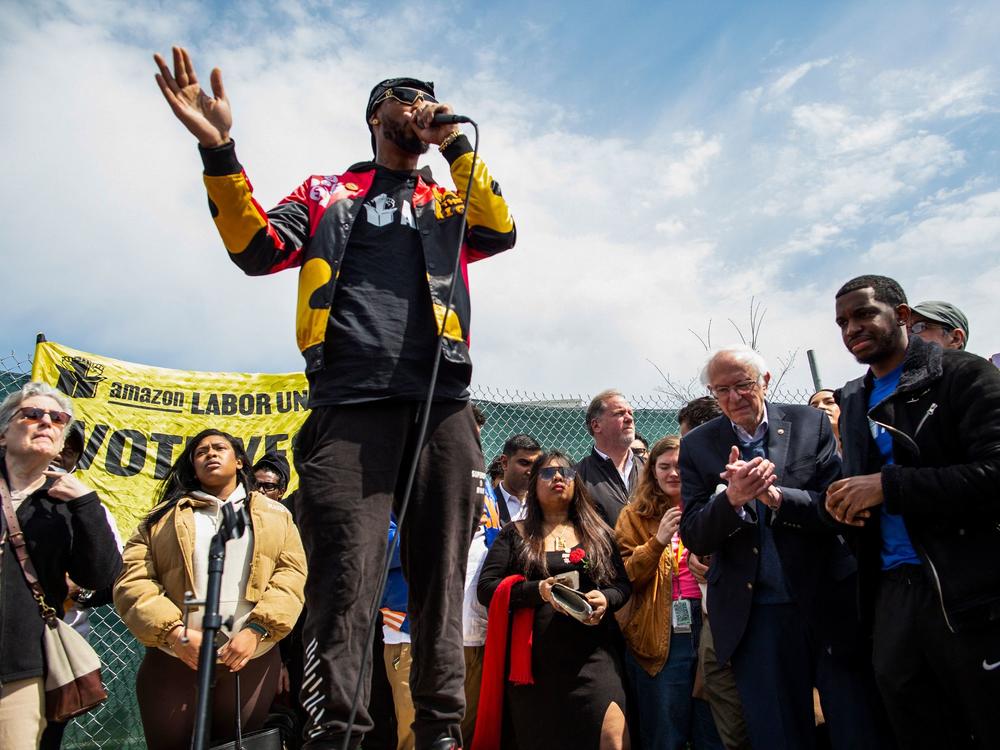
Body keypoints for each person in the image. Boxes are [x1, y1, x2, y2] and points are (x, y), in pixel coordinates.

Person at [153, 44, 515, 749]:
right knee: (345, 581)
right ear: (377, 115)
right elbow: (255, 248)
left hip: (440, 405)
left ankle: (443, 734)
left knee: (441, 580)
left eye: (429, 97)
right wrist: (220, 152)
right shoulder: (328, 192)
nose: (421, 105)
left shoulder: (446, 198)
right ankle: (338, 735)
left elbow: (498, 231)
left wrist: (459, 148)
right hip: (349, 405)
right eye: (406, 96)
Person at [679, 348, 886, 750]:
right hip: (756, 616)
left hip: (826, 600)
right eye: (722, 390)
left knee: (857, 724)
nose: (734, 397)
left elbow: (837, 506)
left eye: (743, 385)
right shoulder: (700, 445)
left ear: (766, 381)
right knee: (779, 733)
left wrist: (777, 498)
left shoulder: (810, 423)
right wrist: (732, 499)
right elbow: (695, 535)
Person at [825, 275, 1000, 748]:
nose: (851, 329)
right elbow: (864, 492)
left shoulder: (963, 375)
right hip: (891, 597)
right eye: (842, 322)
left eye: (863, 315)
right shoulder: (854, 400)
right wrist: (844, 506)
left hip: (967, 590)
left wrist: (889, 486)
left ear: (901, 316)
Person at [114, 428, 307, 750]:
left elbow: (291, 576)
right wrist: (175, 634)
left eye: (219, 448)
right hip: (173, 658)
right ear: (192, 465)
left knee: (234, 744)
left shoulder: (276, 515)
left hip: (250, 658)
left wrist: (257, 630)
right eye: (201, 452)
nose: (210, 455)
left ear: (240, 461)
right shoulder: (160, 519)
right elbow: (133, 581)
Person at [477, 451, 632, 750]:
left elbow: (621, 585)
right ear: (534, 485)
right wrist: (538, 591)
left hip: (594, 656)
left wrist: (606, 599)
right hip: (534, 665)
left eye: (566, 473)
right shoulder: (515, 534)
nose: (558, 478)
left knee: (612, 737)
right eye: (547, 474)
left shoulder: (599, 533)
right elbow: (487, 588)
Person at [0, 383, 122, 749]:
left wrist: (86, 504)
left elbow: (101, 576)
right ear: (3, 433)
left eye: (58, 419)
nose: (46, 423)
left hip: (21, 668)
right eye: (33, 414)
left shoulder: (68, 505)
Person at [615, 435, 722, 749]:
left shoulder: (710, 506)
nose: (673, 473)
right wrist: (657, 541)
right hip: (661, 629)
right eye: (664, 466)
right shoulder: (634, 516)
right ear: (652, 471)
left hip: (710, 624)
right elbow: (625, 577)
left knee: (712, 727)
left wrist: (710, 562)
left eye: (680, 466)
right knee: (665, 729)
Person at [577, 390, 641, 525]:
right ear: (596, 425)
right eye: (619, 413)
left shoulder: (649, 469)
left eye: (630, 413)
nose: (629, 419)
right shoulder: (578, 476)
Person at [495, 434, 542, 523]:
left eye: (536, 465)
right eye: (524, 463)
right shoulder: (486, 504)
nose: (531, 471)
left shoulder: (543, 505)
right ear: (504, 463)